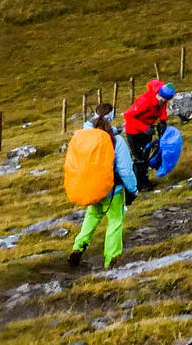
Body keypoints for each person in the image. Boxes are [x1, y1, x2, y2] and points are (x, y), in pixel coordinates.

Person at [68, 105, 137, 269]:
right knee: (115, 221)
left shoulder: (82, 137)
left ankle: (78, 247)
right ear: (111, 118)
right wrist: (133, 189)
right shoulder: (116, 140)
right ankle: (111, 260)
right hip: (112, 190)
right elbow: (125, 170)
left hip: (90, 187)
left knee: (91, 216)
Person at [121, 80, 174, 189]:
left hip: (147, 130)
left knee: (146, 157)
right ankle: (137, 185)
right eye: (162, 98)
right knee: (139, 158)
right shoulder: (145, 101)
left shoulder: (163, 101)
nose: (163, 101)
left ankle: (144, 180)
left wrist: (163, 120)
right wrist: (143, 128)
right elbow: (128, 116)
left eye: (166, 100)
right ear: (158, 94)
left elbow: (163, 110)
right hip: (134, 132)